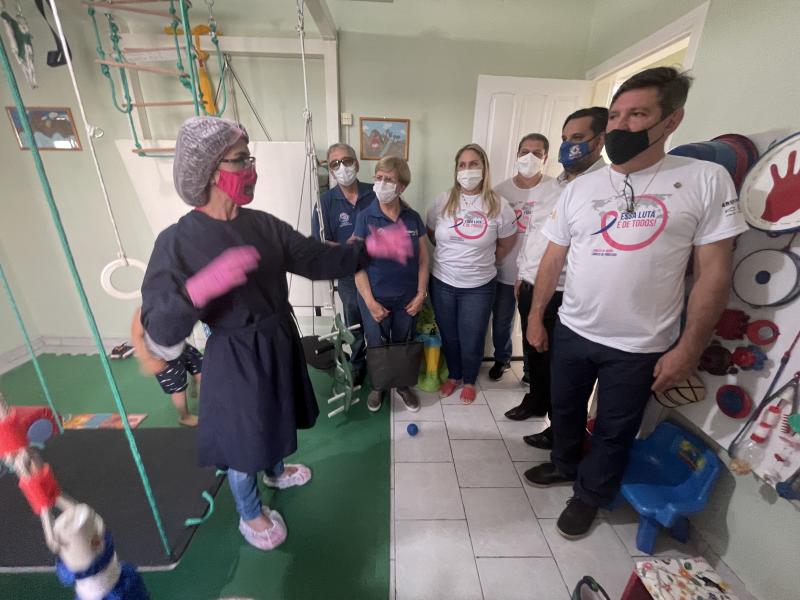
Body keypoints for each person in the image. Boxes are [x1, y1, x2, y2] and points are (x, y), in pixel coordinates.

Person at [139, 117, 410, 551]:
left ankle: (276, 470)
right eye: (241, 158)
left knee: (277, 412)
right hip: (235, 351)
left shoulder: (261, 225)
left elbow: (316, 258)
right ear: (210, 169)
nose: (252, 168)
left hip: (278, 337)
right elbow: (159, 332)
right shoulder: (177, 242)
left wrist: (369, 249)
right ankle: (250, 511)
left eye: (250, 157)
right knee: (246, 434)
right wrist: (200, 288)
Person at [524, 68, 747, 538]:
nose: (620, 127)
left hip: (640, 343)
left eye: (637, 114)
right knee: (562, 409)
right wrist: (536, 318)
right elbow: (552, 259)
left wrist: (688, 348)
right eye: (616, 116)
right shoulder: (582, 188)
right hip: (574, 329)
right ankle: (565, 464)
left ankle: (590, 495)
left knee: (613, 428)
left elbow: (714, 274)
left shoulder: (705, 179)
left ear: (671, 120)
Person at [505, 108, 608, 451]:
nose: (569, 146)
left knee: (559, 364)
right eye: (565, 138)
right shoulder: (555, 186)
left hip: (563, 289)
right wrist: (523, 272)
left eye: (577, 139)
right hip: (532, 283)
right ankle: (535, 402)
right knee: (535, 354)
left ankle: (558, 429)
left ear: (600, 140)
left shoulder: (604, 186)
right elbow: (536, 235)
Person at [426, 144, 517, 404]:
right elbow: (432, 234)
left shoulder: (499, 204)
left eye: (473, 164)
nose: (467, 170)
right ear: (455, 170)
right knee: (449, 334)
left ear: (484, 168)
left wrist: (483, 259)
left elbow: (508, 242)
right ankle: (454, 376)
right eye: (462, 165)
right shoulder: (442, 201)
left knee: (472, 336)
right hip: (442, 282)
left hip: (478, 286)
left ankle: (468, 379)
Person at [353, 157, 429, 413]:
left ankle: (403, 386)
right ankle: (379, 385)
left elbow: (422, 261)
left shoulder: (412, 218)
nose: (381, 183)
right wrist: (371, 303)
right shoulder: (365, 218)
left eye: (389, 179)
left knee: (402, 342)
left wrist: (421, 294)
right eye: (378, 177)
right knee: (376, 343)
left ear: (402, 186)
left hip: (407, 299)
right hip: (375, 297)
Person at [311, 143, 375, 386]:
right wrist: (344, 247)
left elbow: (397, 221)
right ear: (330, 169)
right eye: (335, 163)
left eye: (347, 161)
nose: (342, 167)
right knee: (354, 321)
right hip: (348, 273)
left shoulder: (376, 192)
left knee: (379, 319)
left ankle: (381, 363)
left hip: (379, 271)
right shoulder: (325, 201)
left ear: (357, 164)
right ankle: (358, 363)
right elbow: (317, 243)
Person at [489, 133, 550, 383]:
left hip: (536, 274)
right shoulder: (500, 191)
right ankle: (502, 359)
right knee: (502, 322)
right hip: (504, 270)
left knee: (531, 323)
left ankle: (529, 370)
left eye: (537, 153)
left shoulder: (555, 189)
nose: (530, 157)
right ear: (516, 155)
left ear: (545, 157)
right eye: (525, 151)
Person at [131, 307, 201, 427]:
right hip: (162, 359)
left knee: (204, 368)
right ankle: (184, 416)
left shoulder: (178, 302)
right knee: (178, 390)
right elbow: (136, 335)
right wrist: (147, 359)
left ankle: (195, 382)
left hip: (182, 348)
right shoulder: (144, 310)